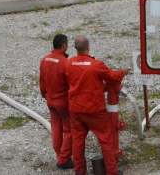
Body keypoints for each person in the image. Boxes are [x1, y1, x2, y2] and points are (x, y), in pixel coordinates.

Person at [65, 35, 128, 175]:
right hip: (95, 111)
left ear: (75, 48)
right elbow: (113, 77)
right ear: (88, 47)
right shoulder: (96, 65)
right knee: (106, 141)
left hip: (76, 110)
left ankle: (79, 171)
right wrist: (123, 72)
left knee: (78, 141)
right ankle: (112, 171)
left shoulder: (68, 64)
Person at [40, 34, 74, 170]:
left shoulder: (44, 60)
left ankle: (59, 155)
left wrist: (46, 95)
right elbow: (71, 85)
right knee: (70, 130)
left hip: (50, 100)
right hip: (63, 102)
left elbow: (42, 82)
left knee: (55, 129)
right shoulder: (65, 63)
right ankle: (63, 159)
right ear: (64, 45)